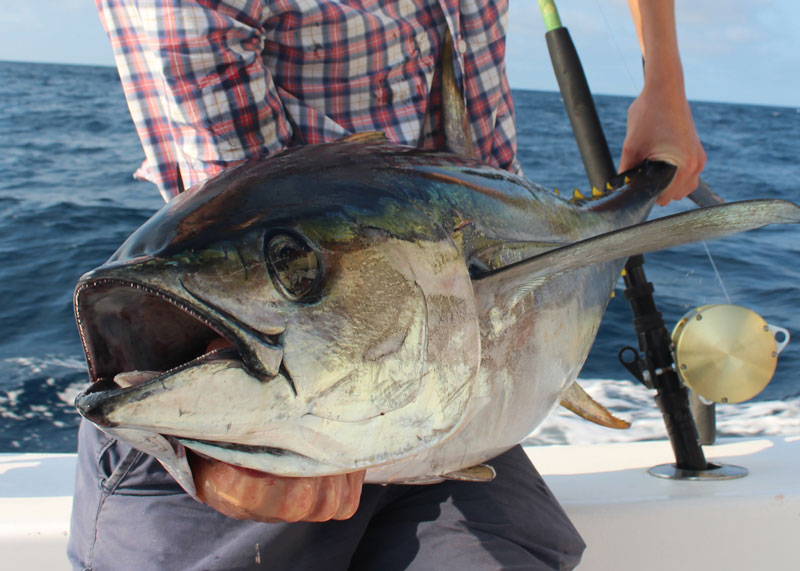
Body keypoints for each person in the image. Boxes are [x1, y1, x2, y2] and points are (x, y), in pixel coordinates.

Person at [69, 1, 704, 569]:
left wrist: (666, 83)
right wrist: (206, 451)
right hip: (299, 390)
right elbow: (243, 215)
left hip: (455, 382)